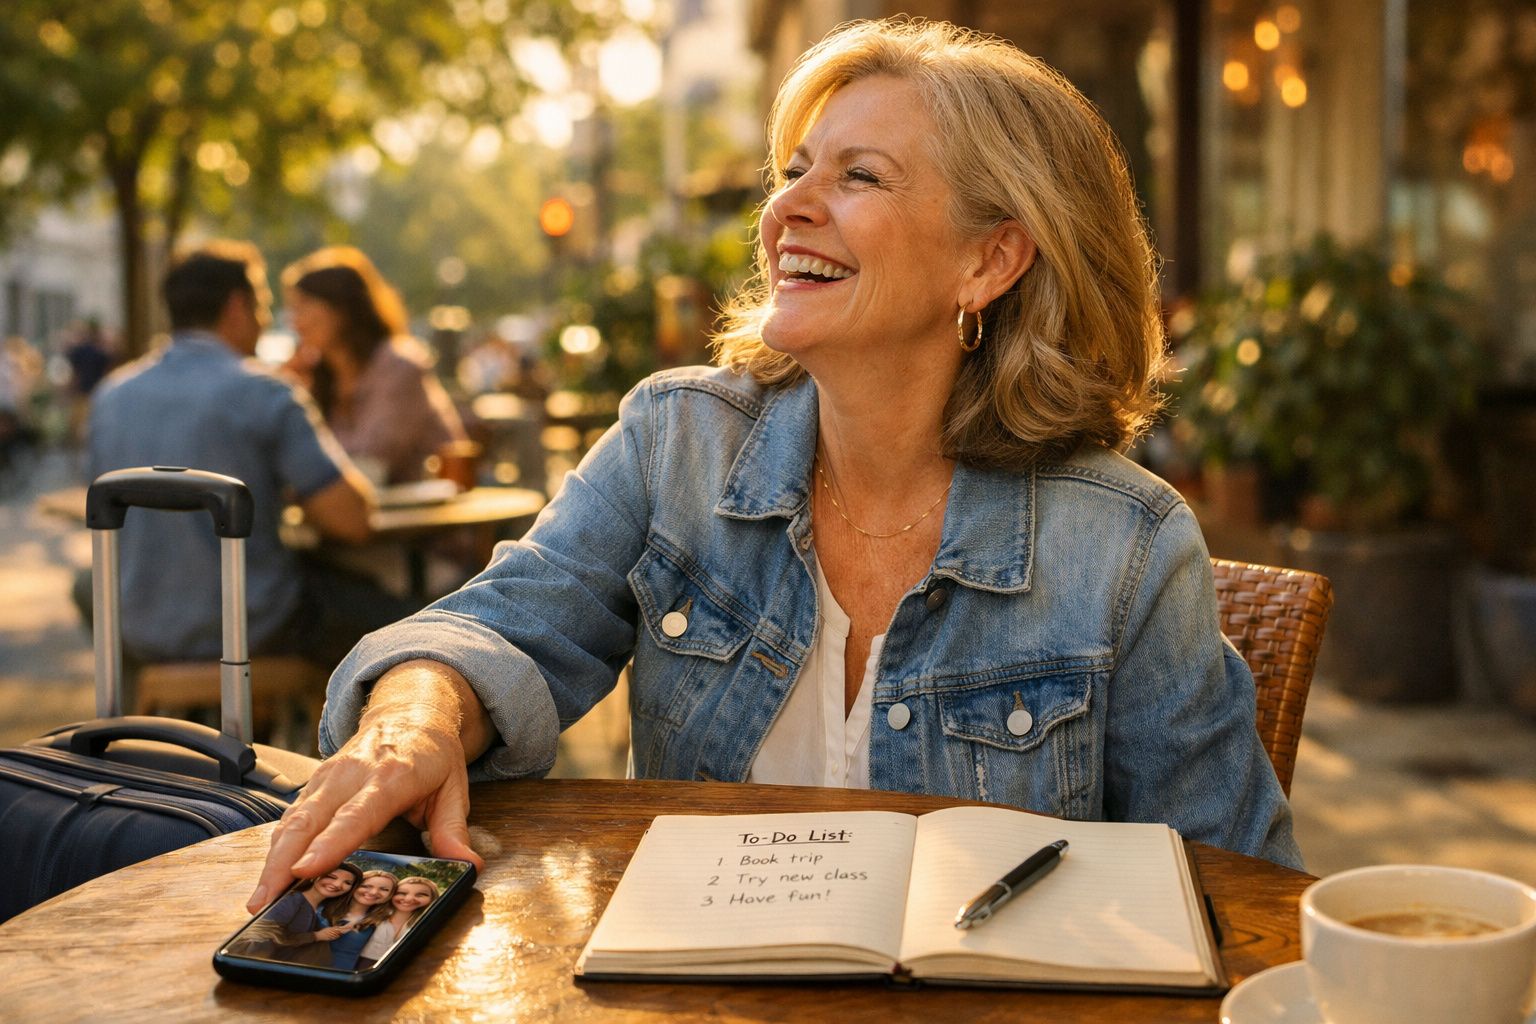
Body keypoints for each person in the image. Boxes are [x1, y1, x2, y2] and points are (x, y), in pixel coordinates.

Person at [249, 18, 1301, 913]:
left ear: (990, 260)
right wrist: (413, 719)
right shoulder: (678, 443)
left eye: (859, 176)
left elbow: (1242, 894)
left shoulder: (1126, 544)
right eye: (795, 168)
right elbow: (494, 624)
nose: (788, 207)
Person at [86, 241, 419, 669]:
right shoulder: (264, 392)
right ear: (237, 307)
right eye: (263, 306)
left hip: (137, 630)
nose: (266, 321)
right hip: (252, 625)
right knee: (412, 621)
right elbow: (352, 520)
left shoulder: (110, 397)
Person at [282, 247, 466, 485]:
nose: (295, 321)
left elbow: (372, 460)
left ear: (341, 309)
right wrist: (288, 394)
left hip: (428, 513)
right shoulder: (319, 376)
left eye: (303, 306)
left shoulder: (400, 365)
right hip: (366, 513)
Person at [227, 862, 362, 962]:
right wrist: (316, 936)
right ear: (316, 876)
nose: (338, 884)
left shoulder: (320, 910)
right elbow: (265, 936)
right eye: (331, 877)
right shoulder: (292, 899)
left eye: (347, 882)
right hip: (252, 961)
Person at [316, 869, 397, 970]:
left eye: (384, 889)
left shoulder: (380, 924)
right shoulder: (320, 907)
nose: (373, 892)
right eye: (366, 886)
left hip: (339, 975)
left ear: (390, 895)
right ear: (354, 886)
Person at [355, 875, 440, 970]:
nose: (408, 899)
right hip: (360, 964)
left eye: (420, 895)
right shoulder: (373, 915)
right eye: (402, 893)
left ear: (432, 898)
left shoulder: (428, 923)